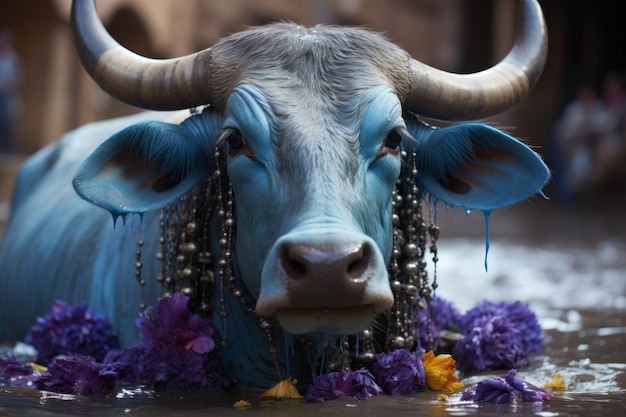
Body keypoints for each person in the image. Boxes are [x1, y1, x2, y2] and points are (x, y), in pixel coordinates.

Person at [0, 28, 22, 153]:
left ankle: (8, 152)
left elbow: (16, 79)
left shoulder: (12, 59)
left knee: (6, 123)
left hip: (7, 96)